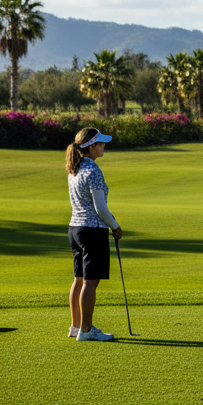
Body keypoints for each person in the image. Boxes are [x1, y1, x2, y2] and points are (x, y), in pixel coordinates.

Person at [65, 126, 121, 342]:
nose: (104, 146)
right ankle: (86, 330)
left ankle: (76, 326)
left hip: (75, 230)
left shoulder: (75, 168)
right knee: (90, 282)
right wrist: (115, 226)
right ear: (92, 147)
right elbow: (100, 208)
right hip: (92, 231)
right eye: (101, 143)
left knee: (79, 279)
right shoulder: (93, 171)